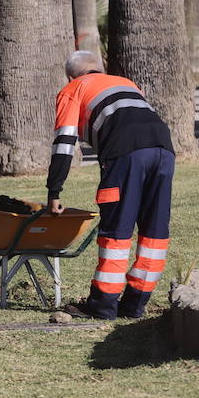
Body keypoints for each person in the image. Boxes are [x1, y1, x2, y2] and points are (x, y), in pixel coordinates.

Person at [47, 50, 175, 320]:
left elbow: (64, 144)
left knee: (117, 229)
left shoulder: (73, 88)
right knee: (154, 232)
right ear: (100, 69)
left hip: (125, 153)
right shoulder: (126, 83)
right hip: (164, 148)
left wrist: (54, 191)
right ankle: (134, 304)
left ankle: (103, 305)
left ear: (71, 75)